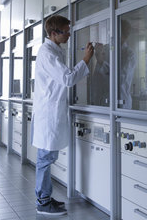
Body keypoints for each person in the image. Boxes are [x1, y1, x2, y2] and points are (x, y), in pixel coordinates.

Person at [31, 15, 94, 216]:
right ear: (53, 33)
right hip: (48, 113)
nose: (68, 34)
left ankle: (46, 197)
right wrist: (85, 59)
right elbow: (67, 79)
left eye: (68, 31)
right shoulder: (48, 53)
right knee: (45, 158)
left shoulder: (55, 50)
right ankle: (42, 202)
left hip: (52, 111)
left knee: (48, 157)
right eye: (65, 31)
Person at [119, 19, 137, 109]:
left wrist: (103, 64)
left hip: (122, 101)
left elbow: (121, 79)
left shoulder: (129, 55)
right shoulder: (108, 50)